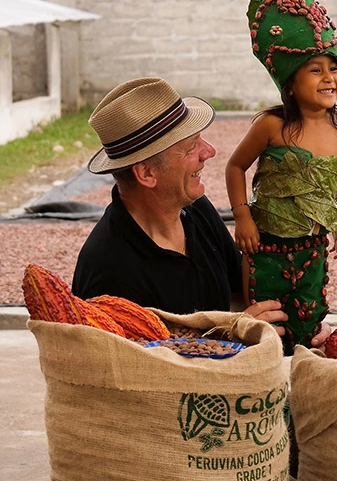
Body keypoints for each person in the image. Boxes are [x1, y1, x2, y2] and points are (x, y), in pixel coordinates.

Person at [72, 76, 289, 332]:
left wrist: (298, 320)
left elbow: (239, 296)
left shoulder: (195, 209)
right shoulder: (110, 272)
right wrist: (234, 335)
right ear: (147, 174)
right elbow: (143, 367)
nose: (209, 152)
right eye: (191, 147)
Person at [227, 0, 337, 355]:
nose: (329, 78)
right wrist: (243, 217)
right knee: (266, 323)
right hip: (265, 245)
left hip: (312, 246)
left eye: (334, 69)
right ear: (290, 82)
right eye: (315, 70)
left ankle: (303, 380)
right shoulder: (271, 126)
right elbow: (235, 168)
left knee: (308, 317)